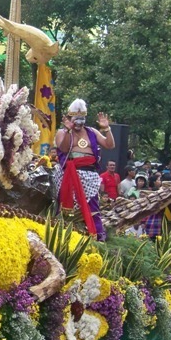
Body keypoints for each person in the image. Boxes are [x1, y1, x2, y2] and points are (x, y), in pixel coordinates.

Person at [53, 99, 115, 240]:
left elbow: (109, 145)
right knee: (67, 207)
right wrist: (69, 131)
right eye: (76, 120)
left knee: (92, 206)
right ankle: (63, 236)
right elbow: (63, 148)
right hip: (68, 174)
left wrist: (107, 129)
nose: (79, 123)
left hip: (90, 175)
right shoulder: (62, 132)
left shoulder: (91, 131)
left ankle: (97, 237)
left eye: (82, 119)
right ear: (70, 118)